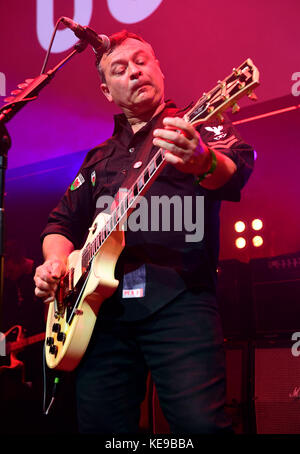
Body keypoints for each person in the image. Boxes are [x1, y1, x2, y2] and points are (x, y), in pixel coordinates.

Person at [34, 30, 254, 434]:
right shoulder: (98, 158)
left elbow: (234, 171)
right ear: (106, 90)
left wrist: (202, 161)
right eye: (120, 69)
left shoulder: (196, 125)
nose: (134, 72)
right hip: (101, 315)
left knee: (200, 425)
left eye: (141, 61)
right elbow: (60, 223)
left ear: (159, 69)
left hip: (179, 300)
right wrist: (54, 262)